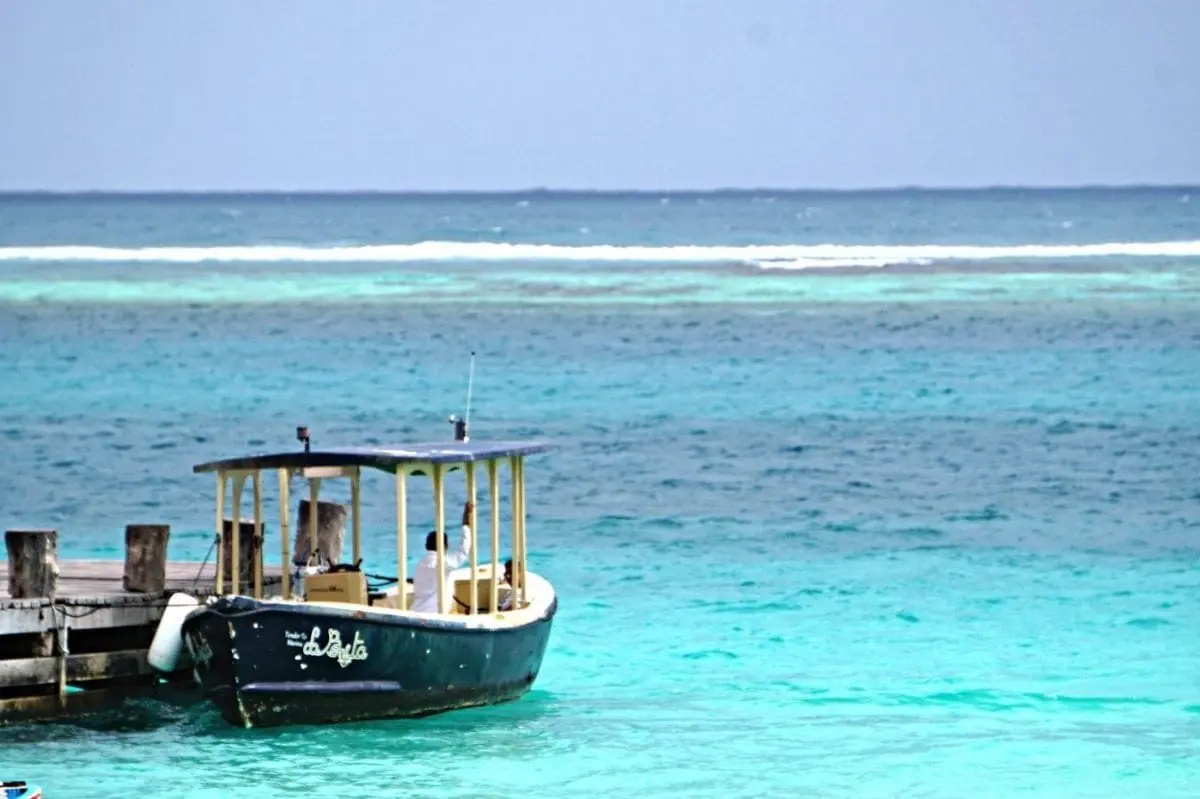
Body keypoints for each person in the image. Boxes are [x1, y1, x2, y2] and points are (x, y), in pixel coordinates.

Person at [411, 501, 473, 613]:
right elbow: (463, 552)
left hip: (415, 611)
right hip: (434, 616)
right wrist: (465, 525)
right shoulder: (443, 563)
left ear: (426, 546)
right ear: (445, 546)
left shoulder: (420, 563)